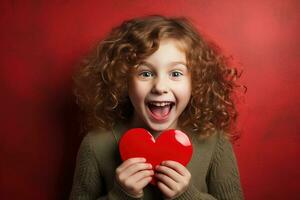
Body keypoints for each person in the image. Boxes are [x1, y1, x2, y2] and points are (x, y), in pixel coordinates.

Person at [69, 15, 245, 200]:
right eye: (145, 73)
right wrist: (120, 196)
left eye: (176, 73)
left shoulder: (214, 143)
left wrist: (187, 196)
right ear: (123, 81)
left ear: (196, 82)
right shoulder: (96, 144)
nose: (160, 87)